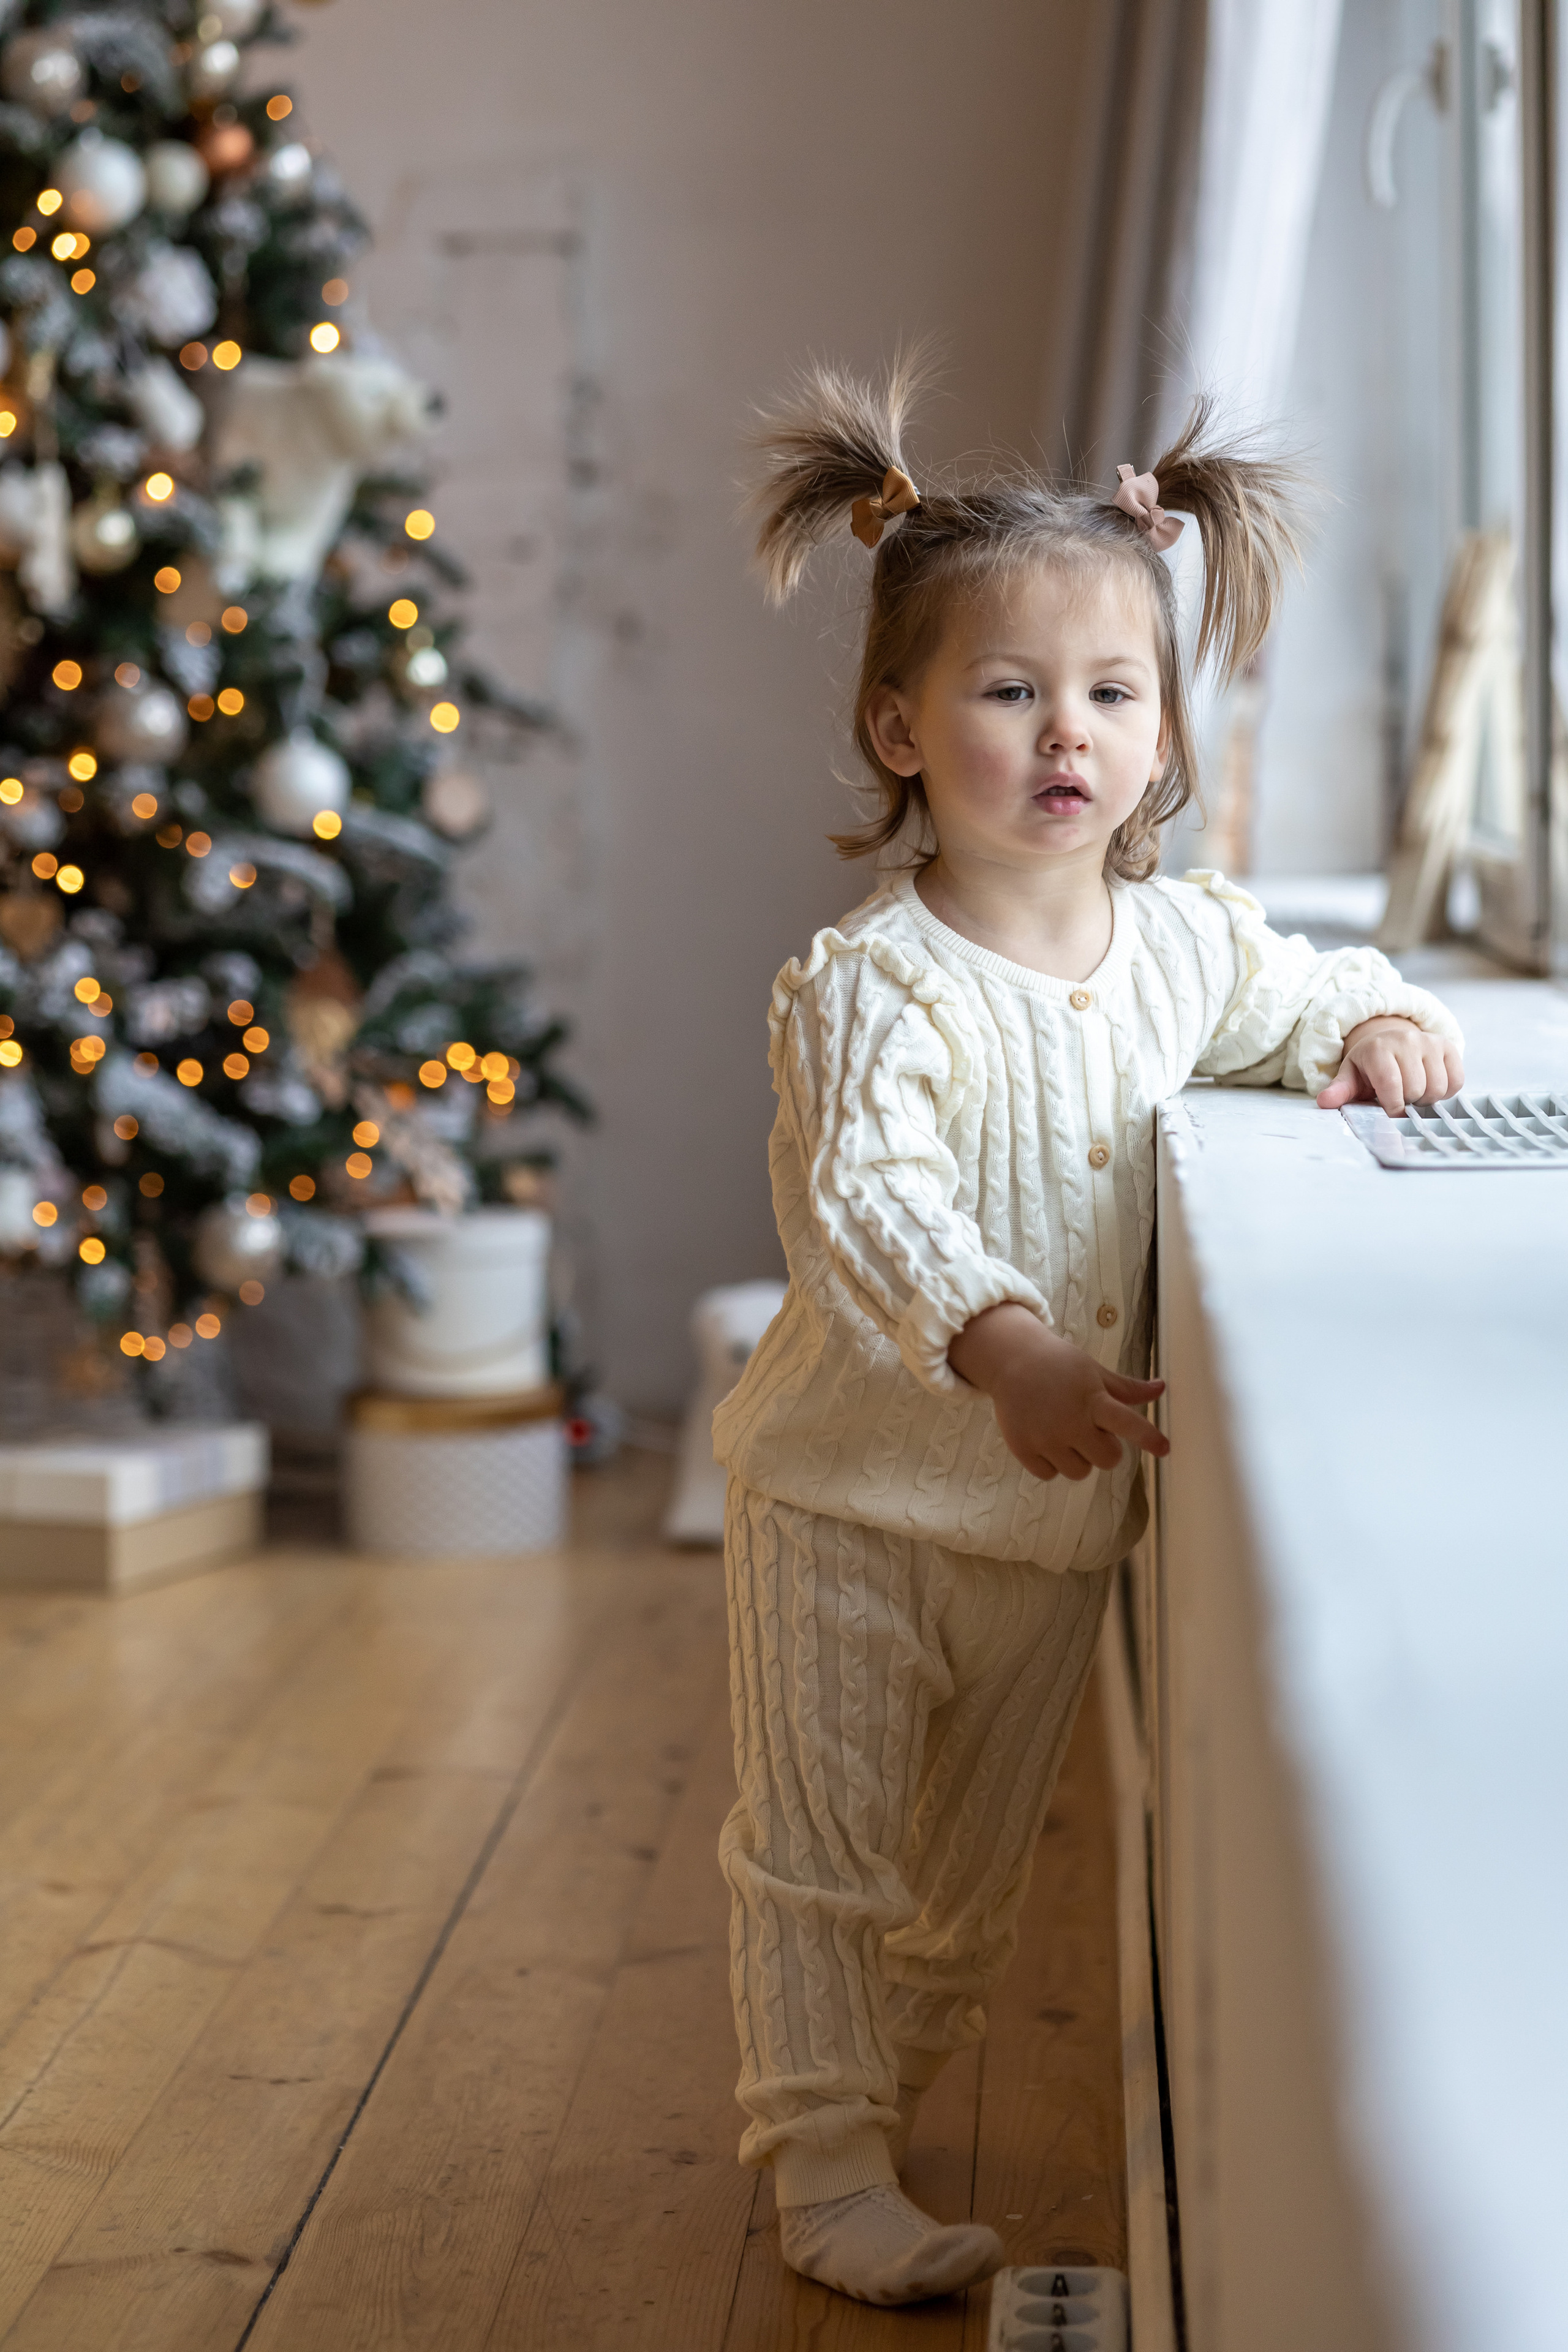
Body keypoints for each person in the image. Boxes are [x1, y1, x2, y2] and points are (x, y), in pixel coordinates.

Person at [714, 358, 1465, 2309]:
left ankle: (874, 2090)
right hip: (857, 1495)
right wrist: (1009, 1343)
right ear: (900, 722)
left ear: (1164, 732)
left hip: (1047, 1540)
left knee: (957, 1907)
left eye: (1113, 693)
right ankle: (822, 2160)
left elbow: (1311, 994)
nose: (1069, 732)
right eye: (1010, 690)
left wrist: (1382, 1031)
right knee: (825, 1849)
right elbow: (880, 1203)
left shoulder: (1187, 944)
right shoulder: (869, 986)